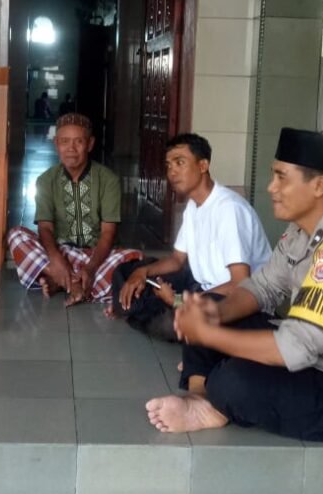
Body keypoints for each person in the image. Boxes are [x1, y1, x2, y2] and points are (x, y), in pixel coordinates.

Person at [146, 128, 323, 444]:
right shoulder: (301, 230)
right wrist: (212, 316)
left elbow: (294, 348)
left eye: (281, 178)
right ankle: (199, 398)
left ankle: (214, 399)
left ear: (318, 186)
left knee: (233, 379)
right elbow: (262, 287)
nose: (271, 187)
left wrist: (208, 334)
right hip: (317, 361)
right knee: (209, 307)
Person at [111, 133, 271, 340]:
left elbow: (240, 282)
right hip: (201, 285)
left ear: (203, 165)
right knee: (126, 271)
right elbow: (177, 260)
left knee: (170, 324)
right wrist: (142, 272)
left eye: (180, 163)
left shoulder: (229, 209)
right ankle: (138, 306)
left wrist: (179, 301)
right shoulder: (193, 206)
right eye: (169, 165)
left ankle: (142, 310)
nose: (172, 172)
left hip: (235, 299)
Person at [7, 112, 142, 305]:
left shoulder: (108, 180)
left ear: (90, 144)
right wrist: (56, 259)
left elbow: (108, 233)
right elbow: (45, 227)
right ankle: (78, 284)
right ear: (56, 143)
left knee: (134, 258)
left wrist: (91, 268)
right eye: (64, 141)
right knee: (16, 236)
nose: (71, 148)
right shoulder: (46, 180)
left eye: (79, 141)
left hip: (99, 256)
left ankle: (59, 281)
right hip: (63, 253)